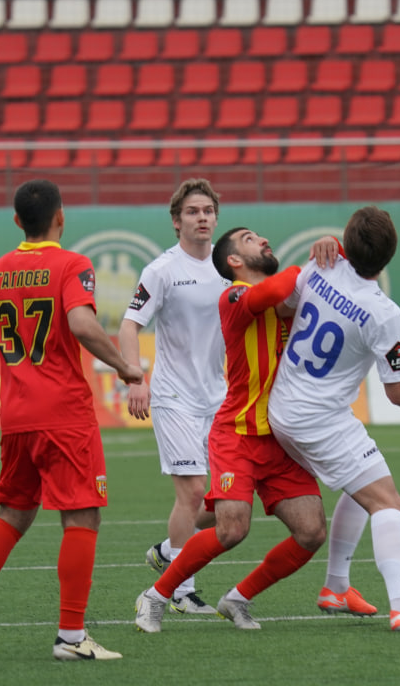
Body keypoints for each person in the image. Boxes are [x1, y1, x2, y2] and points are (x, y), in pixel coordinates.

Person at [0, 179, 144, 661]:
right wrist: (125, 367)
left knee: (14, 513)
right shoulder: (72, 265)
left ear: (16, 222)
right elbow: (81, 323)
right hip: (65, 415)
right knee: (82, 515)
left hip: (16, 418)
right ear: (61, 217)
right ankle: (72, 637)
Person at [134, 228, 369, 632]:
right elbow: (270, 293)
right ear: (234, 262)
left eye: (260, 236)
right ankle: (156, 596)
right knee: (232, 529)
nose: (262, 239)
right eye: (249, 238)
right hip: (237, 433)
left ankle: (237, 598)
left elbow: (340, 289)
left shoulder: (290, 298)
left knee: (311, 532)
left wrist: (335, 246)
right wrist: (311, 265)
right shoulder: (233, 297)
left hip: (281, 438)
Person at [268, 206, 400, 633]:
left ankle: (336, 586)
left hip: (284, 404)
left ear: (345, 241)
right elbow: (399, 393)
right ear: (390, 255)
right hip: (317, 418)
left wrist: (325, 253)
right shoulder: (384, 312)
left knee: (362, 482)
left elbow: (282, 311)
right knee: (388, 502)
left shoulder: (320, 267)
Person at [118, 178, 227, 614]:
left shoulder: (229, 265)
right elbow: (129, 326)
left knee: (223, 502)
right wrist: (134, 379)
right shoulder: (162, 270)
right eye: (193, 211)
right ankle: (181, 588)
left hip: (220, 397)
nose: (202, 217)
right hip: (173, 396)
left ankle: (168, 551)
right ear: (176, 221)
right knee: (194, 492)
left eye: (208, 211)